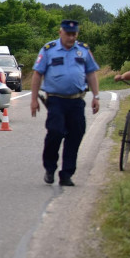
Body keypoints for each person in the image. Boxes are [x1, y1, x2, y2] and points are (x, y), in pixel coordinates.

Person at [30, 19, 100, 186]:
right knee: (56, 132)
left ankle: (66, 174)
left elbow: (91, 73)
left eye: (74, 34)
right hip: (55, 100)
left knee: (76, 135)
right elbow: (37, 74)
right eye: (68, 34)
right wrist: (33, 99)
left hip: (76, 101)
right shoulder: (49, 50)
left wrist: (96, 97)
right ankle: (50, 167)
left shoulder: (83, 50)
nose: (71, 37)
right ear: (60, 32)